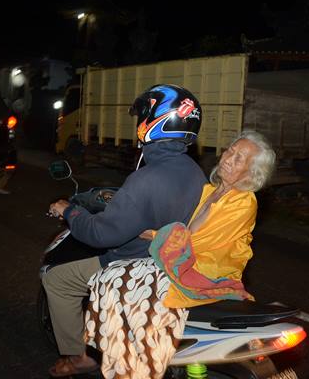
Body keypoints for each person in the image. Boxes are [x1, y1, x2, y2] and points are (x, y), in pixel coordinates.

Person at [84, 130, 277, 379]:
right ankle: (125, 358)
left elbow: (197, 242)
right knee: (109, 277)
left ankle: (139, 368)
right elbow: (180, 222)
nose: (229, 158)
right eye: (231, 150)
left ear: (251, 174)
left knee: (127, 288)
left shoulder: (244, 202)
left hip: (204, 272)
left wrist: (154, 234)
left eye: (240, 158)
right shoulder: (209, 190)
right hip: (181, 261)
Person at [44, 84, 207, 377]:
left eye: (143, 116)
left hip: (136, 262)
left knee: (58, 279)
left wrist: (69, 210)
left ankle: (80, 357)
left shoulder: (146, 178)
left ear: (157, 120)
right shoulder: (195, 171)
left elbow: (101, 234)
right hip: (173, 261)